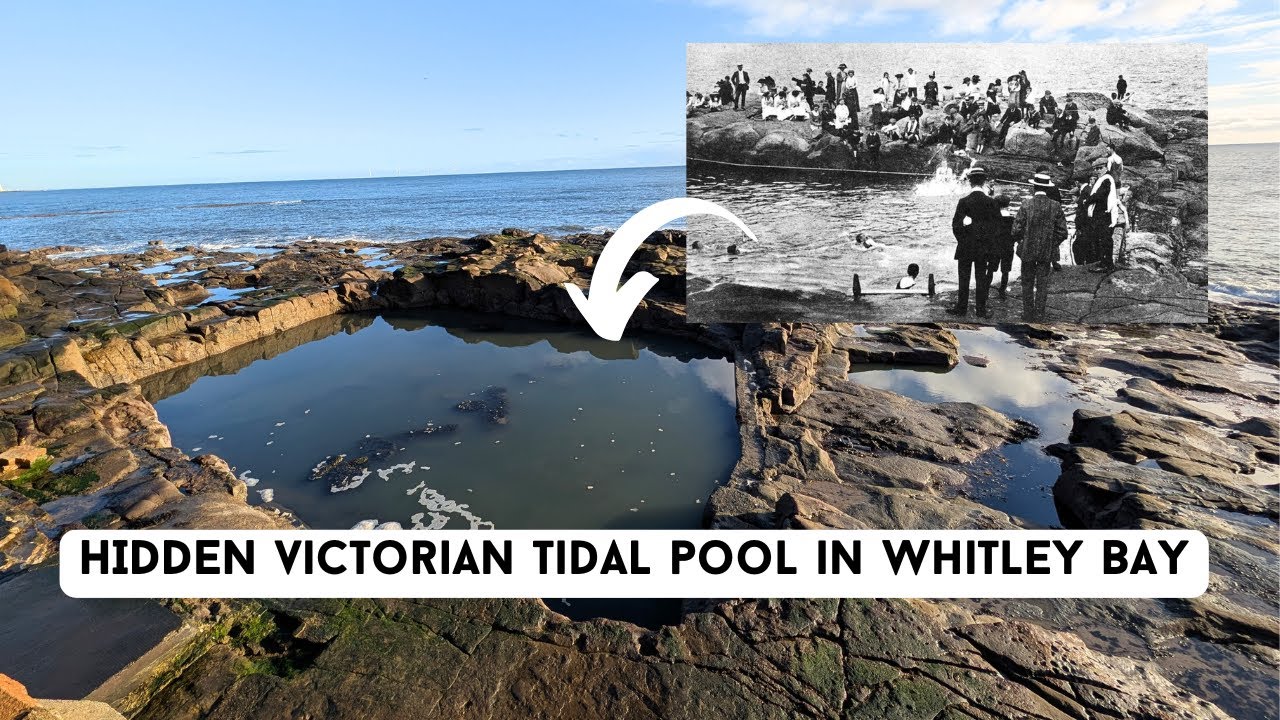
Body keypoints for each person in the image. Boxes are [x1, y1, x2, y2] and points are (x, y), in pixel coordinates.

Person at [1012, 172, 1069, 321]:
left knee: (1027, 282)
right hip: (1046, 251)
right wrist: (1051, 243)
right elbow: (1063, 232)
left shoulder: (1026, 204)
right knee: (1043, 283)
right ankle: (1039, 315)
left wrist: (1022, 242)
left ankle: (1028, 314)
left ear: (1034, 186)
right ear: (1047, 188)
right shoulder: (1055, 206)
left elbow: (1016, 230)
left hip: (1027, 250)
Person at [948, 166, 1001, 317]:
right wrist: (988, 243)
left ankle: (961, 308)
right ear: (984, 181)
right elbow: (996, 228)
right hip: (983, 247)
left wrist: (963, 240)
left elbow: (956, 226)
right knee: (981, 278)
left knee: (963, 278)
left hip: (965, 246)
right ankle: (981, 310)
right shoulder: (991, 202)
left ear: (970, 182)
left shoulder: (963, 201)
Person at [1085, 168, 1119, 272]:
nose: (1098, 170)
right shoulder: (1104, 179)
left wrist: (1087, 201)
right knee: (1102, 238)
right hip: (1101, 214)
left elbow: (1100, 194)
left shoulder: (1106, 179)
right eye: (1096, 168)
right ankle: (1104, 261)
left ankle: (1107, 264)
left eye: (1100, 168)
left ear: (1106, 168)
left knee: (1105, 239)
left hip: (1104, 214)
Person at [990, 194, 1017, 299]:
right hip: (1008, 248)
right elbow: (1016, 233)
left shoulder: (993, 218)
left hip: (995, 247)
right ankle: (1002, 291)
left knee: (991, 269)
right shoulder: (1012, 219)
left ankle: (985, 290)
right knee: (1005, 271)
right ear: (1008, 204)